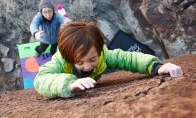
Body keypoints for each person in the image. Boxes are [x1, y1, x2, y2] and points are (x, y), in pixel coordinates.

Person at [34, 22, 183, 99]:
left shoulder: (103, 54)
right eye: (79, 62)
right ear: (68, 58)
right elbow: (40, 79)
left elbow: (127, 58)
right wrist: (69, 84)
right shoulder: (61, 61)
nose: (87, 66)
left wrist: (156, 66)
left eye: (92, 59)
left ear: (99, 50)